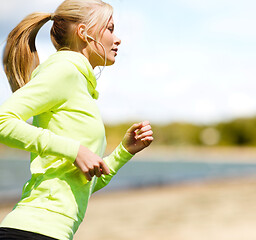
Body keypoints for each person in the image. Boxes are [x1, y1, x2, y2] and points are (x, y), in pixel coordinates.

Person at [0, 0, 154, 239]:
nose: (118, 38)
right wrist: (74, 151)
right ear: (84, 33)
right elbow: (3, 121)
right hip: (33, 230)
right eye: (110, 28)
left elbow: (84, 183)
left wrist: (124, 151)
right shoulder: (65, 71)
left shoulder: (80, 84)